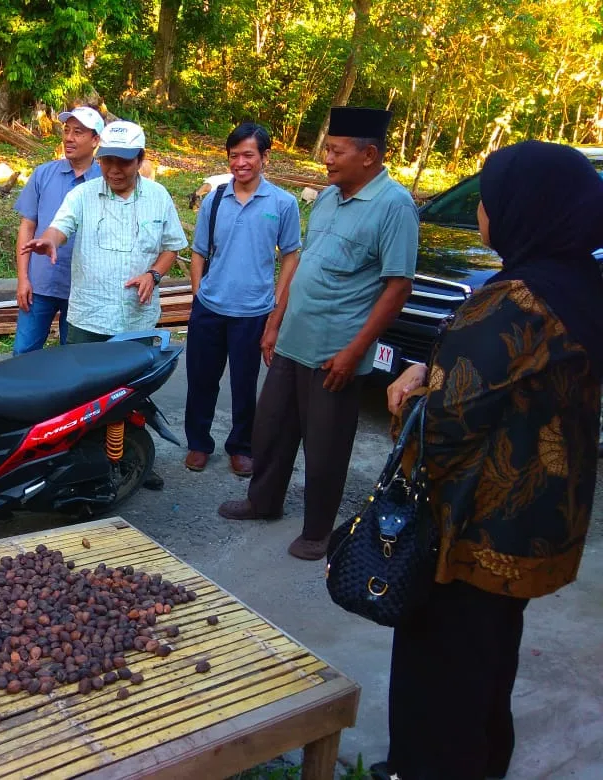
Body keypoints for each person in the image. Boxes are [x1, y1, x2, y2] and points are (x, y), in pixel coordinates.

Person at [371, 141, 603, 780]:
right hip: (538, 525)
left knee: (439, 668)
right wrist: (434, 364)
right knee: (488, 661)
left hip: (474, 529)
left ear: (523, 210)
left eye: (488, 202)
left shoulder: (515, 300)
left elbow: (449, 420)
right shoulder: (581, 284)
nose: (480, 214)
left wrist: (413, 394)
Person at [217, 106, 418, 560]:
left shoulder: (394, 205)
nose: (326, 158)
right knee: (271, 430)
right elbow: (303, 265)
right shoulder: (328, 196)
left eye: (335, 150)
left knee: (325, 447)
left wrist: (356, 351)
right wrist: (274, 321)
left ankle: (318, 530)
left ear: (368, 156)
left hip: (335, 352)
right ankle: (262, 501)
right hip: (293, 340)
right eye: (327, 148)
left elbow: (397, 286)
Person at [21, 119, 188, 490]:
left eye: (124, 162)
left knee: (132, 397)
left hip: (137, 320)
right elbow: (58, 227)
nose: (114, 169)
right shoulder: (82, 196)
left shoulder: (159, 197)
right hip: (88, 319)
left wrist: (153, 275)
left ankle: (134, 458)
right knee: (83, 398)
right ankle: (83, 463)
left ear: (140, 160)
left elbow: (171, 247)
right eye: (108, 160)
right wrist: (49, 240)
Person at [184, 122, 301, 478]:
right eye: (234, 156)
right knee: (201, 379)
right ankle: (199, 443)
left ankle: (241, 447)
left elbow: (291, 256)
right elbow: (199, 251)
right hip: (210, 308)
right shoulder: (215, 199)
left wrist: (276, 308)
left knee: (244, 385)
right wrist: (197, 293)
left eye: (248, 154)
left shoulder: (283, 203)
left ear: (265, 157)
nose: (240, 163)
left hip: (254, 311)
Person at [12, 106, 104, 355]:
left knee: (73, 359)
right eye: (66, 131)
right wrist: (23, 279)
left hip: (82, 289)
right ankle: (26, 395)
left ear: (95, 140)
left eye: (78, 132)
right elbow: (27, 226)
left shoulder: (104, 181)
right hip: (40, 284)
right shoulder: (44, 174)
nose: (69, 138)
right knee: (23, 354)